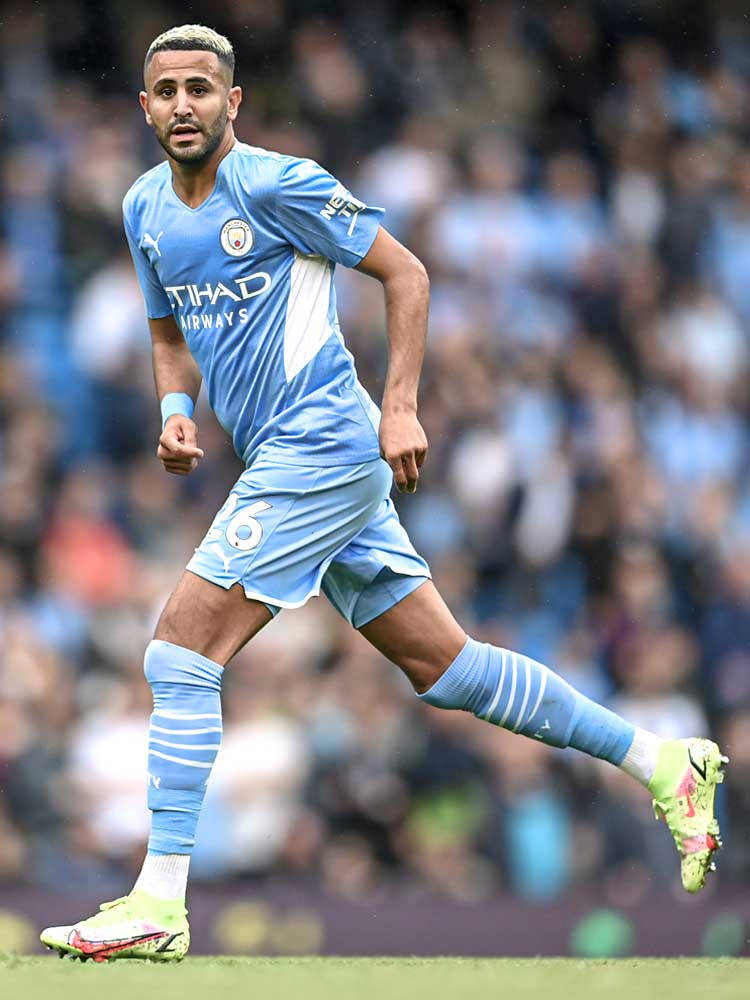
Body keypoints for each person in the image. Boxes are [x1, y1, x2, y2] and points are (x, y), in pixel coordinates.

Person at [41, 25, 727, 962]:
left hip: (323, 444)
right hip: (285, 460)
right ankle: (662, 762)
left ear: (232, 102)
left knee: (177, 653)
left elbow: (405, 271)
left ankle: (159, 896)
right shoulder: (143, 208)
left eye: (203, 88)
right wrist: (174, 408)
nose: (184, 105)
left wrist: (398, 406)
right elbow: (168, 327)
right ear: (145, 106)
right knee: (448, 670)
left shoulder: (279, 185)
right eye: (166, 91)